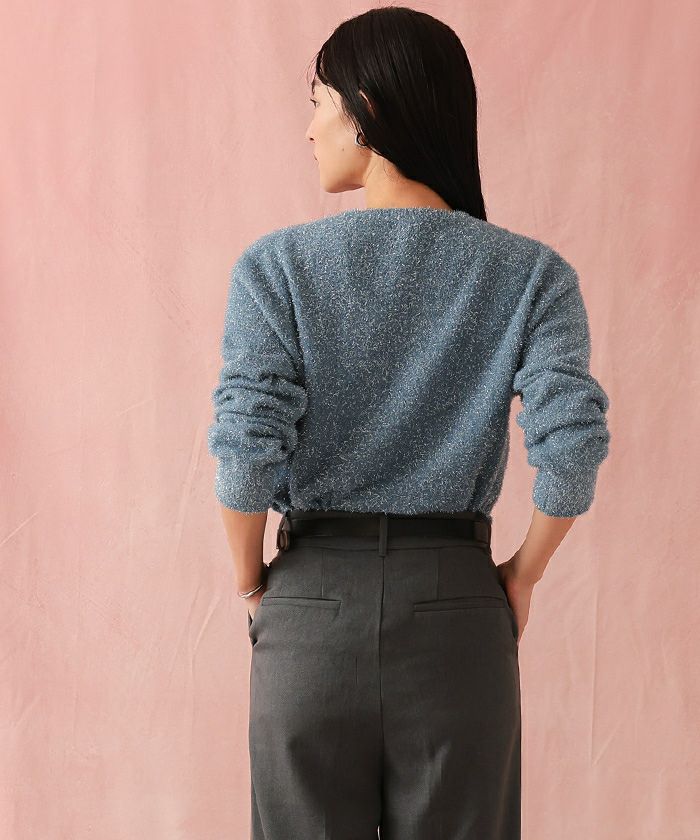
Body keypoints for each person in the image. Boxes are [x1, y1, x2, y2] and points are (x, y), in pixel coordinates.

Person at [207, 6, 611, 839]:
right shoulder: (532, 276)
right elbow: (571, 455)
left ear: (366, 110)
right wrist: (521, 578)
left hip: (311, 609)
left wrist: (253, 583)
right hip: (459, 614)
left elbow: (246, 457)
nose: (309, 130)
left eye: (318, 103)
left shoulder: (276, 268)